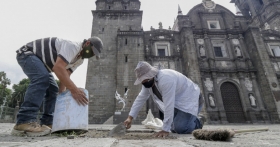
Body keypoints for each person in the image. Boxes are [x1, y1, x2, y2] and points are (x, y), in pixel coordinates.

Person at [12, 36, 103, 137]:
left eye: (94, 54)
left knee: (53, 89)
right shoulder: (73, 47)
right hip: (28, 54)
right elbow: (58, 67)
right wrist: (74, 90)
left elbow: (66, 74)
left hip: (43, 65)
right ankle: (24, 121)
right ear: (87, 44)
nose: (92, 54)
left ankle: (47, 122)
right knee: (42, 78)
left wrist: (61, 94)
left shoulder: (80, 60)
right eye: (92, 51)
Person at [124, 61, 204, 137]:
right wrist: (130, 118)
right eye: (142, 81)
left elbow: (169, 104)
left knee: (180, 128)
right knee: (173, 128)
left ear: (151, 75)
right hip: (177, 103)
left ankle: (198, 122)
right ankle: (189, 120)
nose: (143, 82)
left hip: (191, 99)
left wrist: (165, 130)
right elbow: (140, 99)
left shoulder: (166, 79)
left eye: (145, 79)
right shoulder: (147, 83)